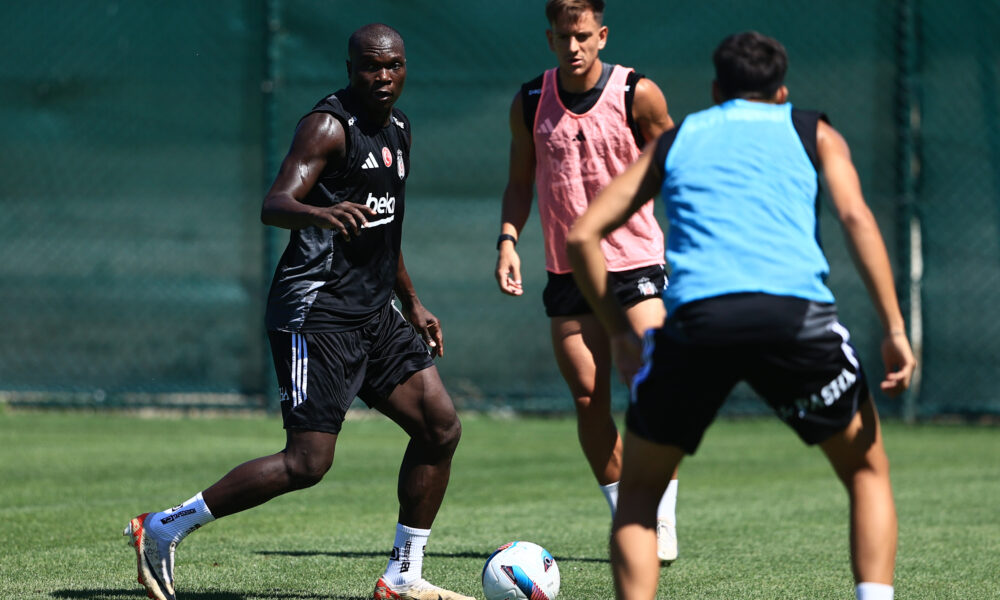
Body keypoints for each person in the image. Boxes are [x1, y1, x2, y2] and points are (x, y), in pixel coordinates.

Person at [123, 24, 474, 600]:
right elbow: (275, 203)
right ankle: (162, 527)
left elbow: (385, 230)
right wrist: (319, 213)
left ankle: (402, 576)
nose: (383, 77)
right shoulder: (328, 127)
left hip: (375, 311)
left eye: (393, 66)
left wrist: (411, 301)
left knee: (440, 428)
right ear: (350, 68)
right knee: (307, 463)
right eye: (370, 66)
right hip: (316, 313)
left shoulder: (400, 129)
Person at [566, 31, 915, 600]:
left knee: (639, 499)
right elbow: (856, 219)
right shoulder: (813, 131)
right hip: (796, 321)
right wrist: (895, 330)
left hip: (697, 327)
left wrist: (619, 334)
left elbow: (583, 235)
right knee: (866, 470)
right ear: (782, 92)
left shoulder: (677, 140)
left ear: (715, 90)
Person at [495, 0, 680, 562]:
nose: (573, 47)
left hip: (634, 263)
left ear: (602, 35)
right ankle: (630, 517)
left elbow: (677, 165)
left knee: (654, 385)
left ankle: (661, 513)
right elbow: (520, 181)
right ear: (549, 39)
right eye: (563, 37)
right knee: (586, 398)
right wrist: (508, 240)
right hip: (567, 273)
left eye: (582, 36)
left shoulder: (638, 94)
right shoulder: (531, 100)